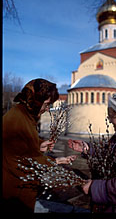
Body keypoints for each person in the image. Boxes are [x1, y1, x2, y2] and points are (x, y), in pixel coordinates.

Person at [3, 78, 77, 213]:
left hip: (21, 189)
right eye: (47, 104)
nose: (47, 109)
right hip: (14, 192)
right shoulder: (17, 119)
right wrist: (56, 161)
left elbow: (24, 143)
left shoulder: (25, 116)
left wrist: (39, 144)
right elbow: (28, 160)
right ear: (35, 100)